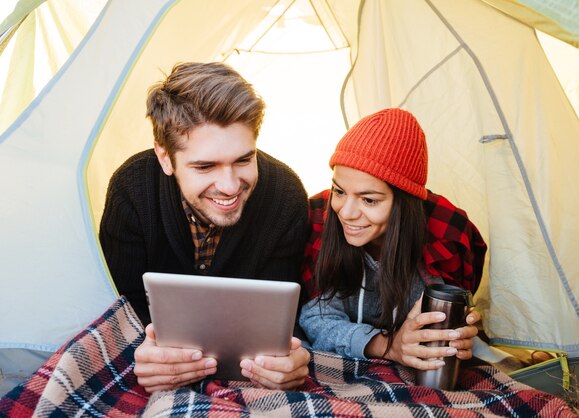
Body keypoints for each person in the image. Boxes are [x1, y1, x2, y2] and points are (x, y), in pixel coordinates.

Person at [99, 62, 310, 391]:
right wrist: (141, 353)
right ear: (166, 158)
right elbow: (119, 309)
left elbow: (282, 319)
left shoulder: (285, 196)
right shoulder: (132, 190)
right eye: (205, 166)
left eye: (243, 160)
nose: (229, 186)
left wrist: (287, 361)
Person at [299, 108, 487, 373]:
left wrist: (457, 335)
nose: (347, 212)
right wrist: (388, 346)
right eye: (339, 191)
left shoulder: (448, 233)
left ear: (404, 202)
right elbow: (316, 319)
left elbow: (444, 323)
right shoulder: (318, 217)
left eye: (369, 200)